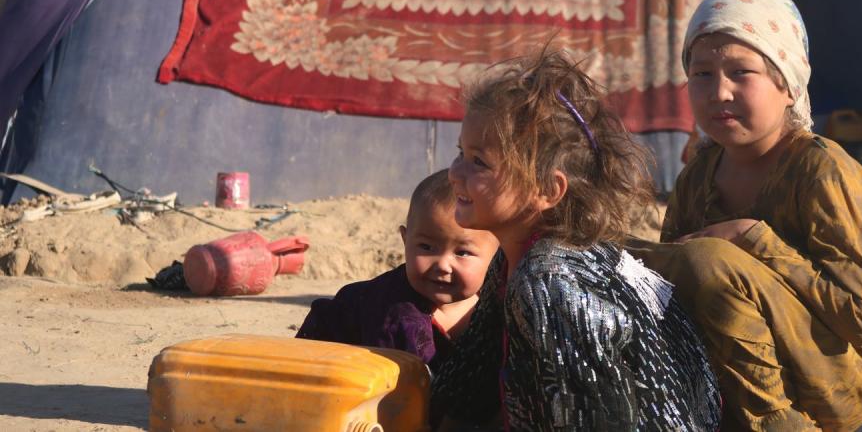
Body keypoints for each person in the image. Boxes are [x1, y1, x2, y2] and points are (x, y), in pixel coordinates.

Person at [630, 0, 862, 430]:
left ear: (788, 85)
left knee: (708, 262)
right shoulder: (697, 176)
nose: (719, 92)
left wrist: (752, 238)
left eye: (741, 72)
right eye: (702, 74)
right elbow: (673, 285)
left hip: (842, 374)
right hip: (740, 370)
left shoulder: (822, 170)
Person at [431, 50, 721, 430]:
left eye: (479, 162)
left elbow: (600, 420)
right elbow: (470, 382)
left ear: (548, 190)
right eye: (460, 153)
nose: (455, 173)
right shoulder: (516, 259)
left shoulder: (550, 282)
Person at [295, 169, 499, 373]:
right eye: (426, 247)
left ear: (497, 255)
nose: (443, 265)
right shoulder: (393, 315)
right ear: (405, 240)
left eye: (462, 252)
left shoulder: (501, 304)